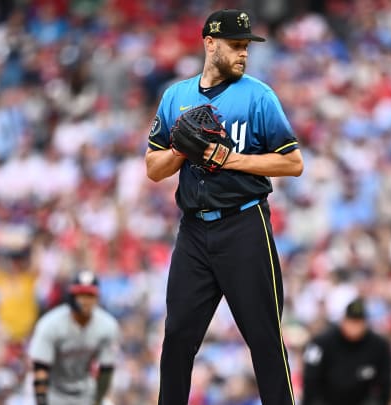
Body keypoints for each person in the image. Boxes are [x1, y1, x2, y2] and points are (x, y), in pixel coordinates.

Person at [144, 8, 303, 405]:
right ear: (209, 43)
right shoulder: (175, 97)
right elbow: (153, 167)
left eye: (246, 46)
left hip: (244, 225)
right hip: (194, 232)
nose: (243, 53)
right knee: (178, 335)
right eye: (235, 45)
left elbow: (292, 162)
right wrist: (183, 147)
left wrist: (228, 158)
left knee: (264, 339)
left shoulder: (258, 96)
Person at [27, 270, 119, 405]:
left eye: (90, 295)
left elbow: (106, 369)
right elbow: (40, 368)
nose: (86, 300)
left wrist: (98, 400)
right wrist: (42, 401)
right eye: (81, 295)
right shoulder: (50, 324)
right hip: (54, 393)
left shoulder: (107, 325)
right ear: (71, 297)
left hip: (86, 392)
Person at [302, 298, 391, 405]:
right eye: (351, 321)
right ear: (343, 320)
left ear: (365, 323)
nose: (354, 327)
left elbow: (385, 384)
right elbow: (310, 380)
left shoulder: (379, 347)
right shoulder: (321, 343)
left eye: (358, 322)